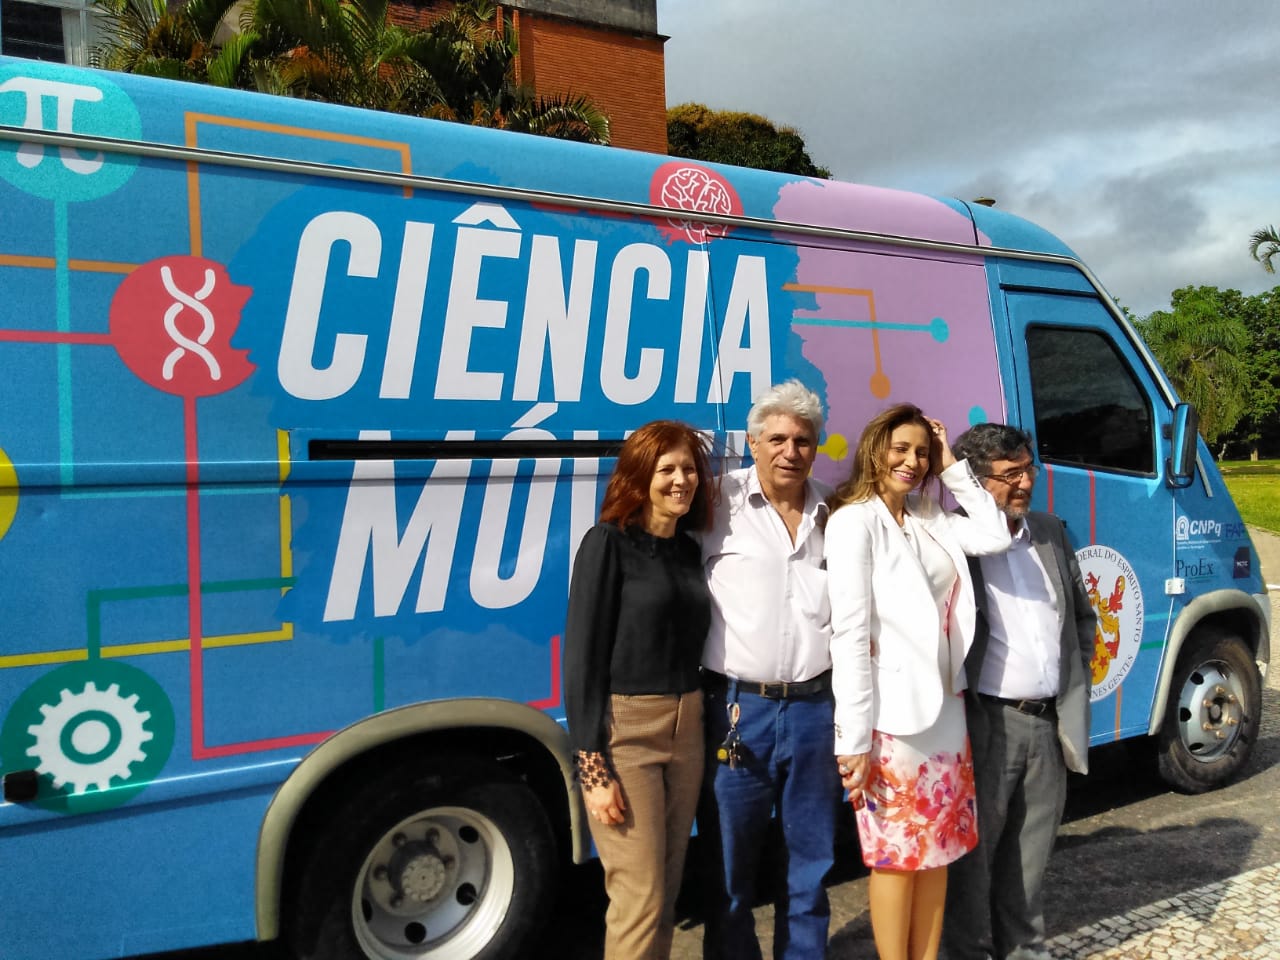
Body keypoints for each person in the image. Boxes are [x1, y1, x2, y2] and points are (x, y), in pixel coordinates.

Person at [825, 403, 1011, 960]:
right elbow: (849, 635)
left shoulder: (929, 514)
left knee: (939, 848)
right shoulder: (853, 522)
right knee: (895, 856)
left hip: (944, 711)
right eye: (900, 449)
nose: (912, 461)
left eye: (922, 453)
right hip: (890, 720)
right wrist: (853, 739)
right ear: (874, 449)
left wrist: (952, 465)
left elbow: (995, 535)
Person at [563, 419, 717, 960]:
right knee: (639, 895)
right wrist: (592, 769)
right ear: (639, 476)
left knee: (666, 889)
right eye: (666, 469)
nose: (681, 480)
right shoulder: (608, 543)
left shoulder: (687, 551)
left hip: (687, 727)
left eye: (689, 469)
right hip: (627, 733)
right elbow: (582, 658)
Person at [941, 423, 1095, 960]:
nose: (1025, 483)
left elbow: (1081, 617)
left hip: (1048, 723)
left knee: (1031, 859)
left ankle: (1025, 951)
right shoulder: (954, 539)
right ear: (976, 480)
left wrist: (1073, 681)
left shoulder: (1049, 531)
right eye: (1009, 475)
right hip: (988, 725)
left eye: (1028, 469)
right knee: (973, 862)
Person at [699, 379, 840, 960]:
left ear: (816, 447)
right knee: (730, 868)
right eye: (776, 439)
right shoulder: (715, 504)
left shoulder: (837, 513)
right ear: (753, 443)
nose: (790, 451)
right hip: (738, 711)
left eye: (802, 441)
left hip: (815, 711)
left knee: (812, 861)